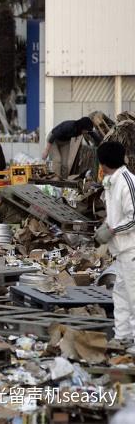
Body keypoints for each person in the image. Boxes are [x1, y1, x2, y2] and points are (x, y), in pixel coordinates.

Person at [94, 142, 135, 353]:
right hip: (122, 251)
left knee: (133, 295)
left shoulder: (127, 182)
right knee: (121, 294)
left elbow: (133, 217)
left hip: (132, 249)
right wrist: (106, 227)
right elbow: (116, 216)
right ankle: (123, 336)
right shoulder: (112, 182)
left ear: (103, 162)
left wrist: (111, 230)